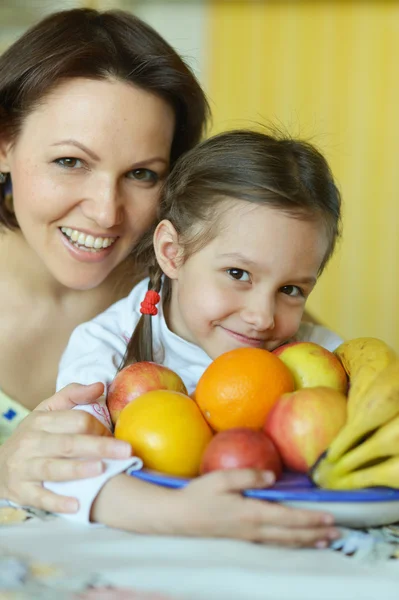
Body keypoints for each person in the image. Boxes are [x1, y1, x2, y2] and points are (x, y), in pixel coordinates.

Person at [49, 129, 344, 547]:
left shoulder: (324, 360)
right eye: (238, 274)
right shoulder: (105, 349)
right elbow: (65, 466)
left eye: (291, 290)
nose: (262, 317)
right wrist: (180, 513)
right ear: (172, 252)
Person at [0, 7, 209, 513]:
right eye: (70, 162)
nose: (105, 212)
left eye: (142, 174)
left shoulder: (188, 285)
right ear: (4, 145)